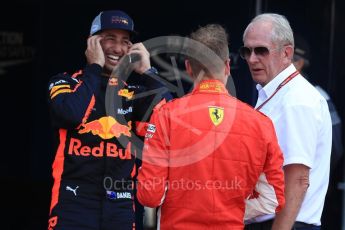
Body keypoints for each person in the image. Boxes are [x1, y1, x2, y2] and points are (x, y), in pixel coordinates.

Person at [136, 24, 285, 229]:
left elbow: (150, 196)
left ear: (188, 67)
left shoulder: (166, 115)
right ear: (227, 65)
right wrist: (231, 210)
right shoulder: (261, 123)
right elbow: (273, 198)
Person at [47, 10, 169, 230]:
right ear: (92, 43)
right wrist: (93, 67)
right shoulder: (64, 83)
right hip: (72, 205)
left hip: (120, 209)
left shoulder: (133, 94)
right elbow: (72, 114)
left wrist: (148, 72)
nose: (118, 48)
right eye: (110, 38)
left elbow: (169, 124)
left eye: (125, 41)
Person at [240, 13, 332, 229]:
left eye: (261, 50)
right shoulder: (278, 94)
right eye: (247, 51)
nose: (252, 59)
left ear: (286, 53)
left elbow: (298, 180)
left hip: (285, 223)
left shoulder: (296, 99)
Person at [293, 34, 343, 172]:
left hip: (306, 188)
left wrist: (311, 179)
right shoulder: (268, 92)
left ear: (298, 63)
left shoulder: (319, 97)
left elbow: (335, 147)